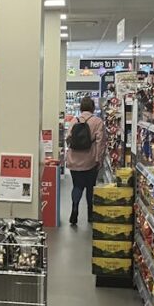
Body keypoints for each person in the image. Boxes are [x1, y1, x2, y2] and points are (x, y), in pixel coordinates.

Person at [66, 96, 105, 226]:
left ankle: (74, 207)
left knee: (77, 186)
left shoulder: (74, 120)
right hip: (90, 160)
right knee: (90, 187)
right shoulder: (97, 121)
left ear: (81, 107)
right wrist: (99, 159)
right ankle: (90, 214)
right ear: (93, 108)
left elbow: (68, 139)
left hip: (74, 160)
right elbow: (100, 142)